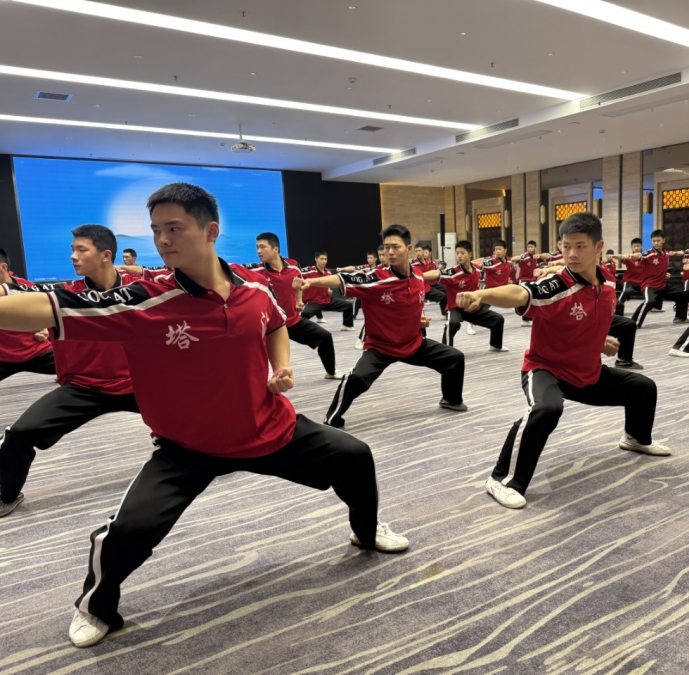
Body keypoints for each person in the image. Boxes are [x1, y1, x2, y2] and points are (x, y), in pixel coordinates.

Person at [0, 184, 407, 647]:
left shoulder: (254, 290)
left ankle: (366, 533)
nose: (162, 239)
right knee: (125, 533)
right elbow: (43, 308)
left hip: (268, 428)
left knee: (355, 455)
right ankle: (95, 607)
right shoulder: (144, 299)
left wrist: (283, 366)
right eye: (156, 230)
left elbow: (274, 324)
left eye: (174, 228)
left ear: (211, 231)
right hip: (186, 448)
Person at [456, 213, 670, 510]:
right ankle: (502, 479)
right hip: (545, 370)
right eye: (566, 246)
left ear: (598, 247)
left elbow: (583, 320)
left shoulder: (607, 286)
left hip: (585, 373)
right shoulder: (556, 284)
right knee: (546, 409)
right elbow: (520, 292)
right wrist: (482, 293)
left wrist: (600, 343)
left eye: (580, 246)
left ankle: (635, 438)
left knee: (642, 387)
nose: (572, 254)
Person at [0, 225, 142, 519]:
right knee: (19, 434)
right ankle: (6, 495)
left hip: (137, 383)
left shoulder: (140, 289)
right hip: (83, 388)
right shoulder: (64, 294)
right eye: (72, 250)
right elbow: (17, 293)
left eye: (81, 250)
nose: (72, 256)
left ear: (105, 256)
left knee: (196, 411)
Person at [297, 224, 467, 430]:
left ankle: (450, 399)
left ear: (409, 249)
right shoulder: (375, 277)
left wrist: (419, 319)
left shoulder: (418, 276)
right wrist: (311, 283)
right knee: (356, 379)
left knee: (454, 358)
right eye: (387, 248)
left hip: (413, 343)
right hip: (381, 348)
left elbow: (411, 302)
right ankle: (332, 419)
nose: (390, 252)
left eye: (396, 247)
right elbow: (341, 279)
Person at [247, 232, 341, 379]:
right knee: (270, 365)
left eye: (262, 247)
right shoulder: (256, 271)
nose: (258, 251)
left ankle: (331, 372)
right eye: (257, 247)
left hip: (292, 321)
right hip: (271, 328)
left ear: (275, 249)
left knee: (325, 337)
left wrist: (299, 300)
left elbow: (299, 284)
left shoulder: (294, 267)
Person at [0, 248, 55, 386]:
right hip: (2, 359)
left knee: (83, 368)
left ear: (3, 268)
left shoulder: (28, 288)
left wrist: (47, 329)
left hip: (39, 354)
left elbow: (53, 315)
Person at [441, 240, 507, 352]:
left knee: (498, 319)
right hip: (456, 308)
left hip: (472, 308)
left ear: (470, 254)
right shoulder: (452, 272)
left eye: (462, 253)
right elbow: (437, 274)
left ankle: (495, 346)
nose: (459, 256)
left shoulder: (477, 270)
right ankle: (446, 351)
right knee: (453, 323)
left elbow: (483, 264)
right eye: (457, 253)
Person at [630, 230, 689, 327]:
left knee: (683, 295)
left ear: (663, 240)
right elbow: (639, 256)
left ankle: (680, 317)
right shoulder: (648, 253)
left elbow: (658, 267)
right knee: (649, 301)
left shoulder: (666, 254)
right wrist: (632, 256)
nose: (656, 243)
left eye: (658, 240)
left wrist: (665, 274)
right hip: (649, 286)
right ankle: (633, 323)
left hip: (662, 286)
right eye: (654, 241)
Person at [299, 251, 355, 330]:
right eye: (321, 259)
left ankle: (347, 326)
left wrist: (329, 290)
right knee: (305, 314)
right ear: (316, 259)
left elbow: (328, 285)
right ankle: (301, 330)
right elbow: (296, 274)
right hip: (314, 302)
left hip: (327, 300)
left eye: (325, 259)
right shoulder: (308, 270)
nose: (324, 261)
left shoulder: (328, 272)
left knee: (348, 305)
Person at [412, 243, 448, 317]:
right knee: (443, 296)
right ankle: (445, 312)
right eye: (416, 251)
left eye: (419, 250)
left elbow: (437, 271)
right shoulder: (413, 264)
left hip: (431, 285)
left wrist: (439, 270)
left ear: (423, 251)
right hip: (423, 288)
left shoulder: (429, 262)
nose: (418, 253)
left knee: (448, 290)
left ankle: (448, 310)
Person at [511, 240, 540, 326]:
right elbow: (514, 259)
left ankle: (530, 317)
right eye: (528, 247)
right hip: (523, 280)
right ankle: (524, 319)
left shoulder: (535, 258)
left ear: (535, 248)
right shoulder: (524, 256)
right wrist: (520, 257)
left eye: (531, 247)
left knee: (533, 300)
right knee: (525, 300)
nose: (530, 249)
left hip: (532, 281)